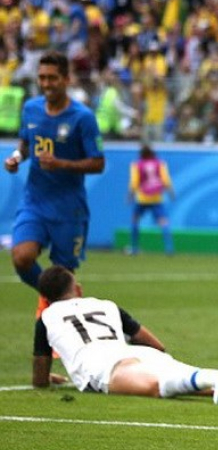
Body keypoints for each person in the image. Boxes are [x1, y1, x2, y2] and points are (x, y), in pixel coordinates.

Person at [32, 266, 218, 405]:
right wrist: (155, 355)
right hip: (138, 354)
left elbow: (39, 376)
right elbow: (154, 343)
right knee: (192, 382)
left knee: (157, 388)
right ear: (78, 289)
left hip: (103, 365)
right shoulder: (106, 305)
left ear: (44, 298)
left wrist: (49, 380)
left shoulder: (46, 317)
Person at [3, 50, 105, 318]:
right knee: (22, 257)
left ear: (66, 79)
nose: (46, 84)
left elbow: (98, 163)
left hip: (68, 208)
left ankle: (61, 324)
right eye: (42, 78)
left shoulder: (82, 118)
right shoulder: (31, 108)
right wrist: (16, 157)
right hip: (35, 201)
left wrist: (62, 164)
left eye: (52, 78)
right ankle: (53, 299)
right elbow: (26, 143)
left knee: (64, 273)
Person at [128, 144, 175, 255]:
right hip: (156, 197)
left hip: (142, 197)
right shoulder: (160, 163)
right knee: (164, 222)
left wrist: (130, 195)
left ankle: (134, 247)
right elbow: (166, 180)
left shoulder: (137, 165)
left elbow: (134, 182)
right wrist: (171, 193)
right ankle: (169, 248)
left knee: (135, 220)